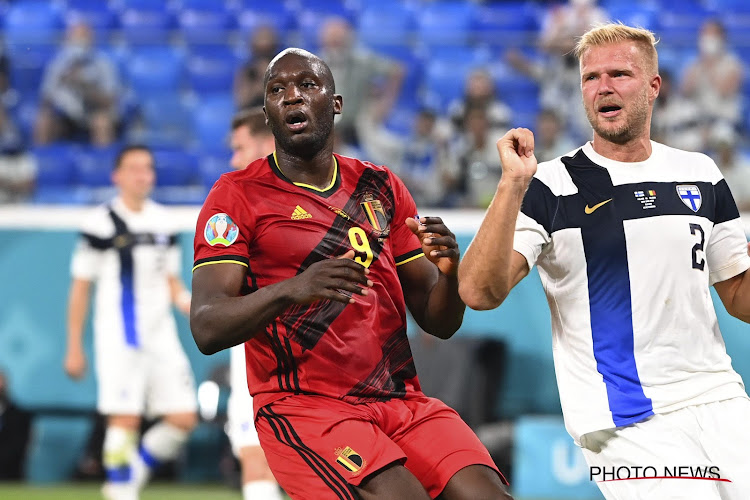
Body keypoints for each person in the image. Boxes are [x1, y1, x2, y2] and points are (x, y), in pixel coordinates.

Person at [190, 48, 511, 500]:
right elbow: (206, 326)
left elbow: (440, 321)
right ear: (267, 112)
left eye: (307, 85)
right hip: (305, 405)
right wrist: (293, 290)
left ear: (336, 104)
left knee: (487, 495)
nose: (292, 97)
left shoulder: (380, 187)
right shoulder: (237, 196)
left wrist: (451, 273)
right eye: (277, 90)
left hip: (400, 401)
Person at [459, 23, 750, 500]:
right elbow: (478, 293)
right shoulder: (550, 185)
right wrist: (511, 185)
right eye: (591, 78)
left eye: (620, 73)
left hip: (720, 397)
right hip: (625, 418)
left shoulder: (700, 173)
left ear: (654, 86)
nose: (604, 87)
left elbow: (738, 295)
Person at [64, 145, 198, 500]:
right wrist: (74, 347)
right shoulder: (99, 223)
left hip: (162, 337)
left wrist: (189, 304)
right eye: (134, 168)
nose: (143, 175)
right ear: (117, 176)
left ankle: (127, 479)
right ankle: (121, 491)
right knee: (124, 419)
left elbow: (171, 280)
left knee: (184, 417)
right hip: (119, 338)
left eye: (148, 168)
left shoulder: (165, 222)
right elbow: (80, 289)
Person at [225, 107, 284, 500]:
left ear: (265, 144)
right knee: (255, 456)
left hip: (272, 352)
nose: (233, 159)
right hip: (254, 346)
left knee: (260, 457)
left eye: (239, 147)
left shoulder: (243, 202)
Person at [34, 22, 122, 146]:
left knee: (101, 122)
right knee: (43, 120)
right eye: (75, 37)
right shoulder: (59, 62)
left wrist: (84, 86)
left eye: (83, 37)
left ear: (91, 39)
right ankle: (43, 160)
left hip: (93, 112)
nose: (79, 41)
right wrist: (62, 83)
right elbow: (45, 98)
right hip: (66, 115)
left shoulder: (104, 63)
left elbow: (109, 101)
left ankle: (101, 161)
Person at [681, 19, 743, 152]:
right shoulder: (694, 65)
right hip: (699, 123)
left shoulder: (732, 64)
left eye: (711, 35)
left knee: (723, 140)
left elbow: (725, 91)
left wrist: (711, 65)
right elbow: (685, 91)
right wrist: (700, 66)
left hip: (723, 122)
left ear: (721, 38)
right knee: (686, 143)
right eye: (704, 34)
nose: (707, 39)